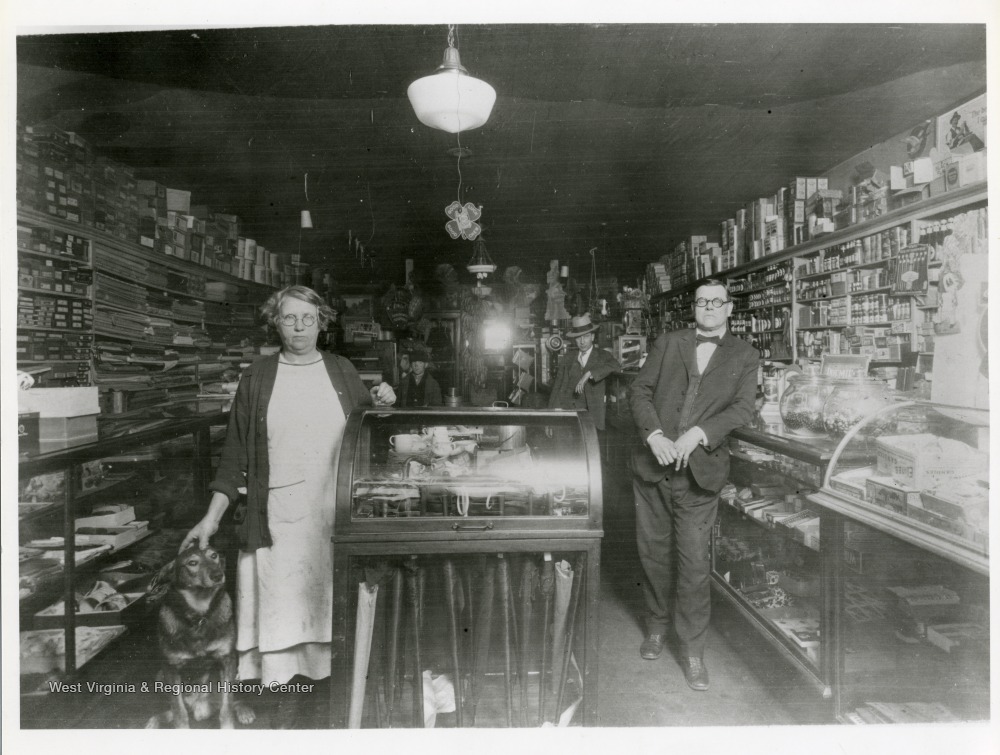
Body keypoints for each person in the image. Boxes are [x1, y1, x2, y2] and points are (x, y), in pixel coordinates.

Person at [181, 284, 396, 728]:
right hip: (277, 518)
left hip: (331, 516)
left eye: (308, 318)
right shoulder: (257, 376)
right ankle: (285, 707)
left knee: (326, 605)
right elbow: (235, 456)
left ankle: (331, 701)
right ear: (274, 322)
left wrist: (381, 406)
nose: (299, 327)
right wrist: (211, 517)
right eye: (288, 318)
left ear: (322, 321)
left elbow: (368, 435)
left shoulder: (342, 370)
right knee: (282, 608)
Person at [628, 278, 758, 692]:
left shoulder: (745, 355)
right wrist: (654, 436)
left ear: (729, 309)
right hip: (653, 470)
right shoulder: (669, 343)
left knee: (694, 566)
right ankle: (656, 627)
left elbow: (742, 409)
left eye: (717, 302)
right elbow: (639, 391)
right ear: (694, 308)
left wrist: (699, 433)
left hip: (700, 476)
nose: (709, 308)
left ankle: (693, 652)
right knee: (653, 556)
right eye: (702, 302)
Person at [547, 313, 621, 432]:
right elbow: (557, 389)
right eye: (578, 337)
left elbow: (616, 366)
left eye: (586, 336)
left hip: (593, 420)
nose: (582, 341)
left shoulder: (603, 356)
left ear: (592, 337)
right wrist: (550, 421)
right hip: (569, 419)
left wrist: (589, 374)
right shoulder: (568, 358)